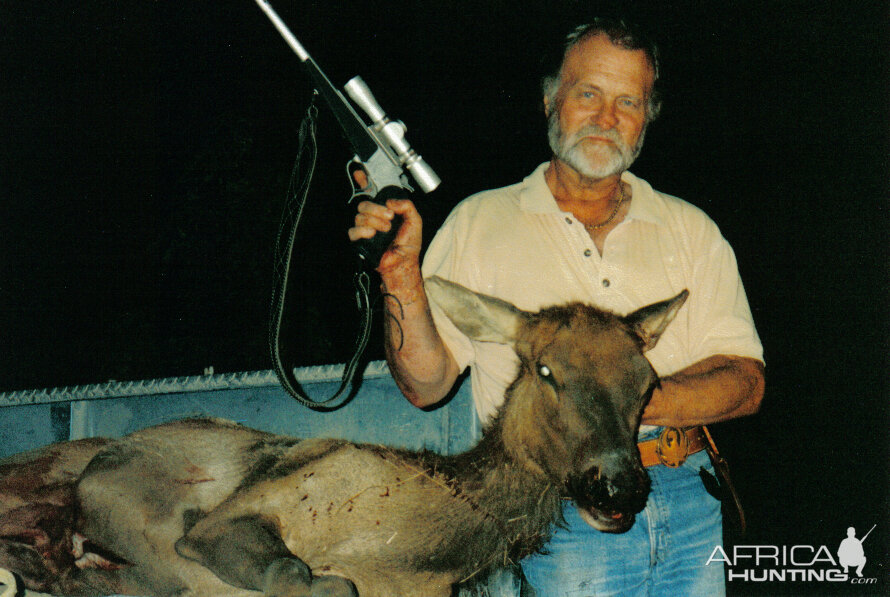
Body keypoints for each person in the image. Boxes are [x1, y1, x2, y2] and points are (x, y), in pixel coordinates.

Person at [349, 18, 765, 597]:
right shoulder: (481, 221)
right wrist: (399, 276)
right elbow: (427, 385)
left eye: (629, 101)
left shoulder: (691, 229)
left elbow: (745, 383)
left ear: (648, 117)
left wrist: (610, 398)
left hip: (690, 499)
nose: (606, 116)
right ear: (552, 98)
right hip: (555, 509)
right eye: (588, 93)